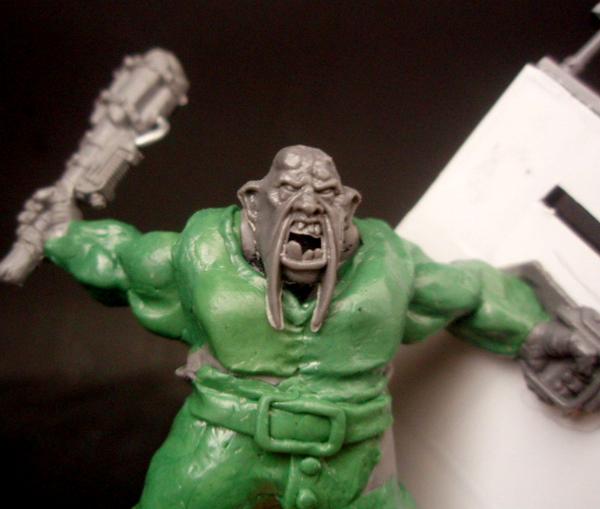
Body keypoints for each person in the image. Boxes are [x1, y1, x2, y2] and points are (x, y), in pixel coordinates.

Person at [9, 145, 598, 508]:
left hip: (358, 462)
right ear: (252, 202)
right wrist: (61, 233)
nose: (309, 204)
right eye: (290, 190)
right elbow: (120, 261)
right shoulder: (200, 254)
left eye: (326, 194)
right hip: (220, 447)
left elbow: (468, 289)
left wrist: (539, 334)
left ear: (350, 205)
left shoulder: (390, 264)